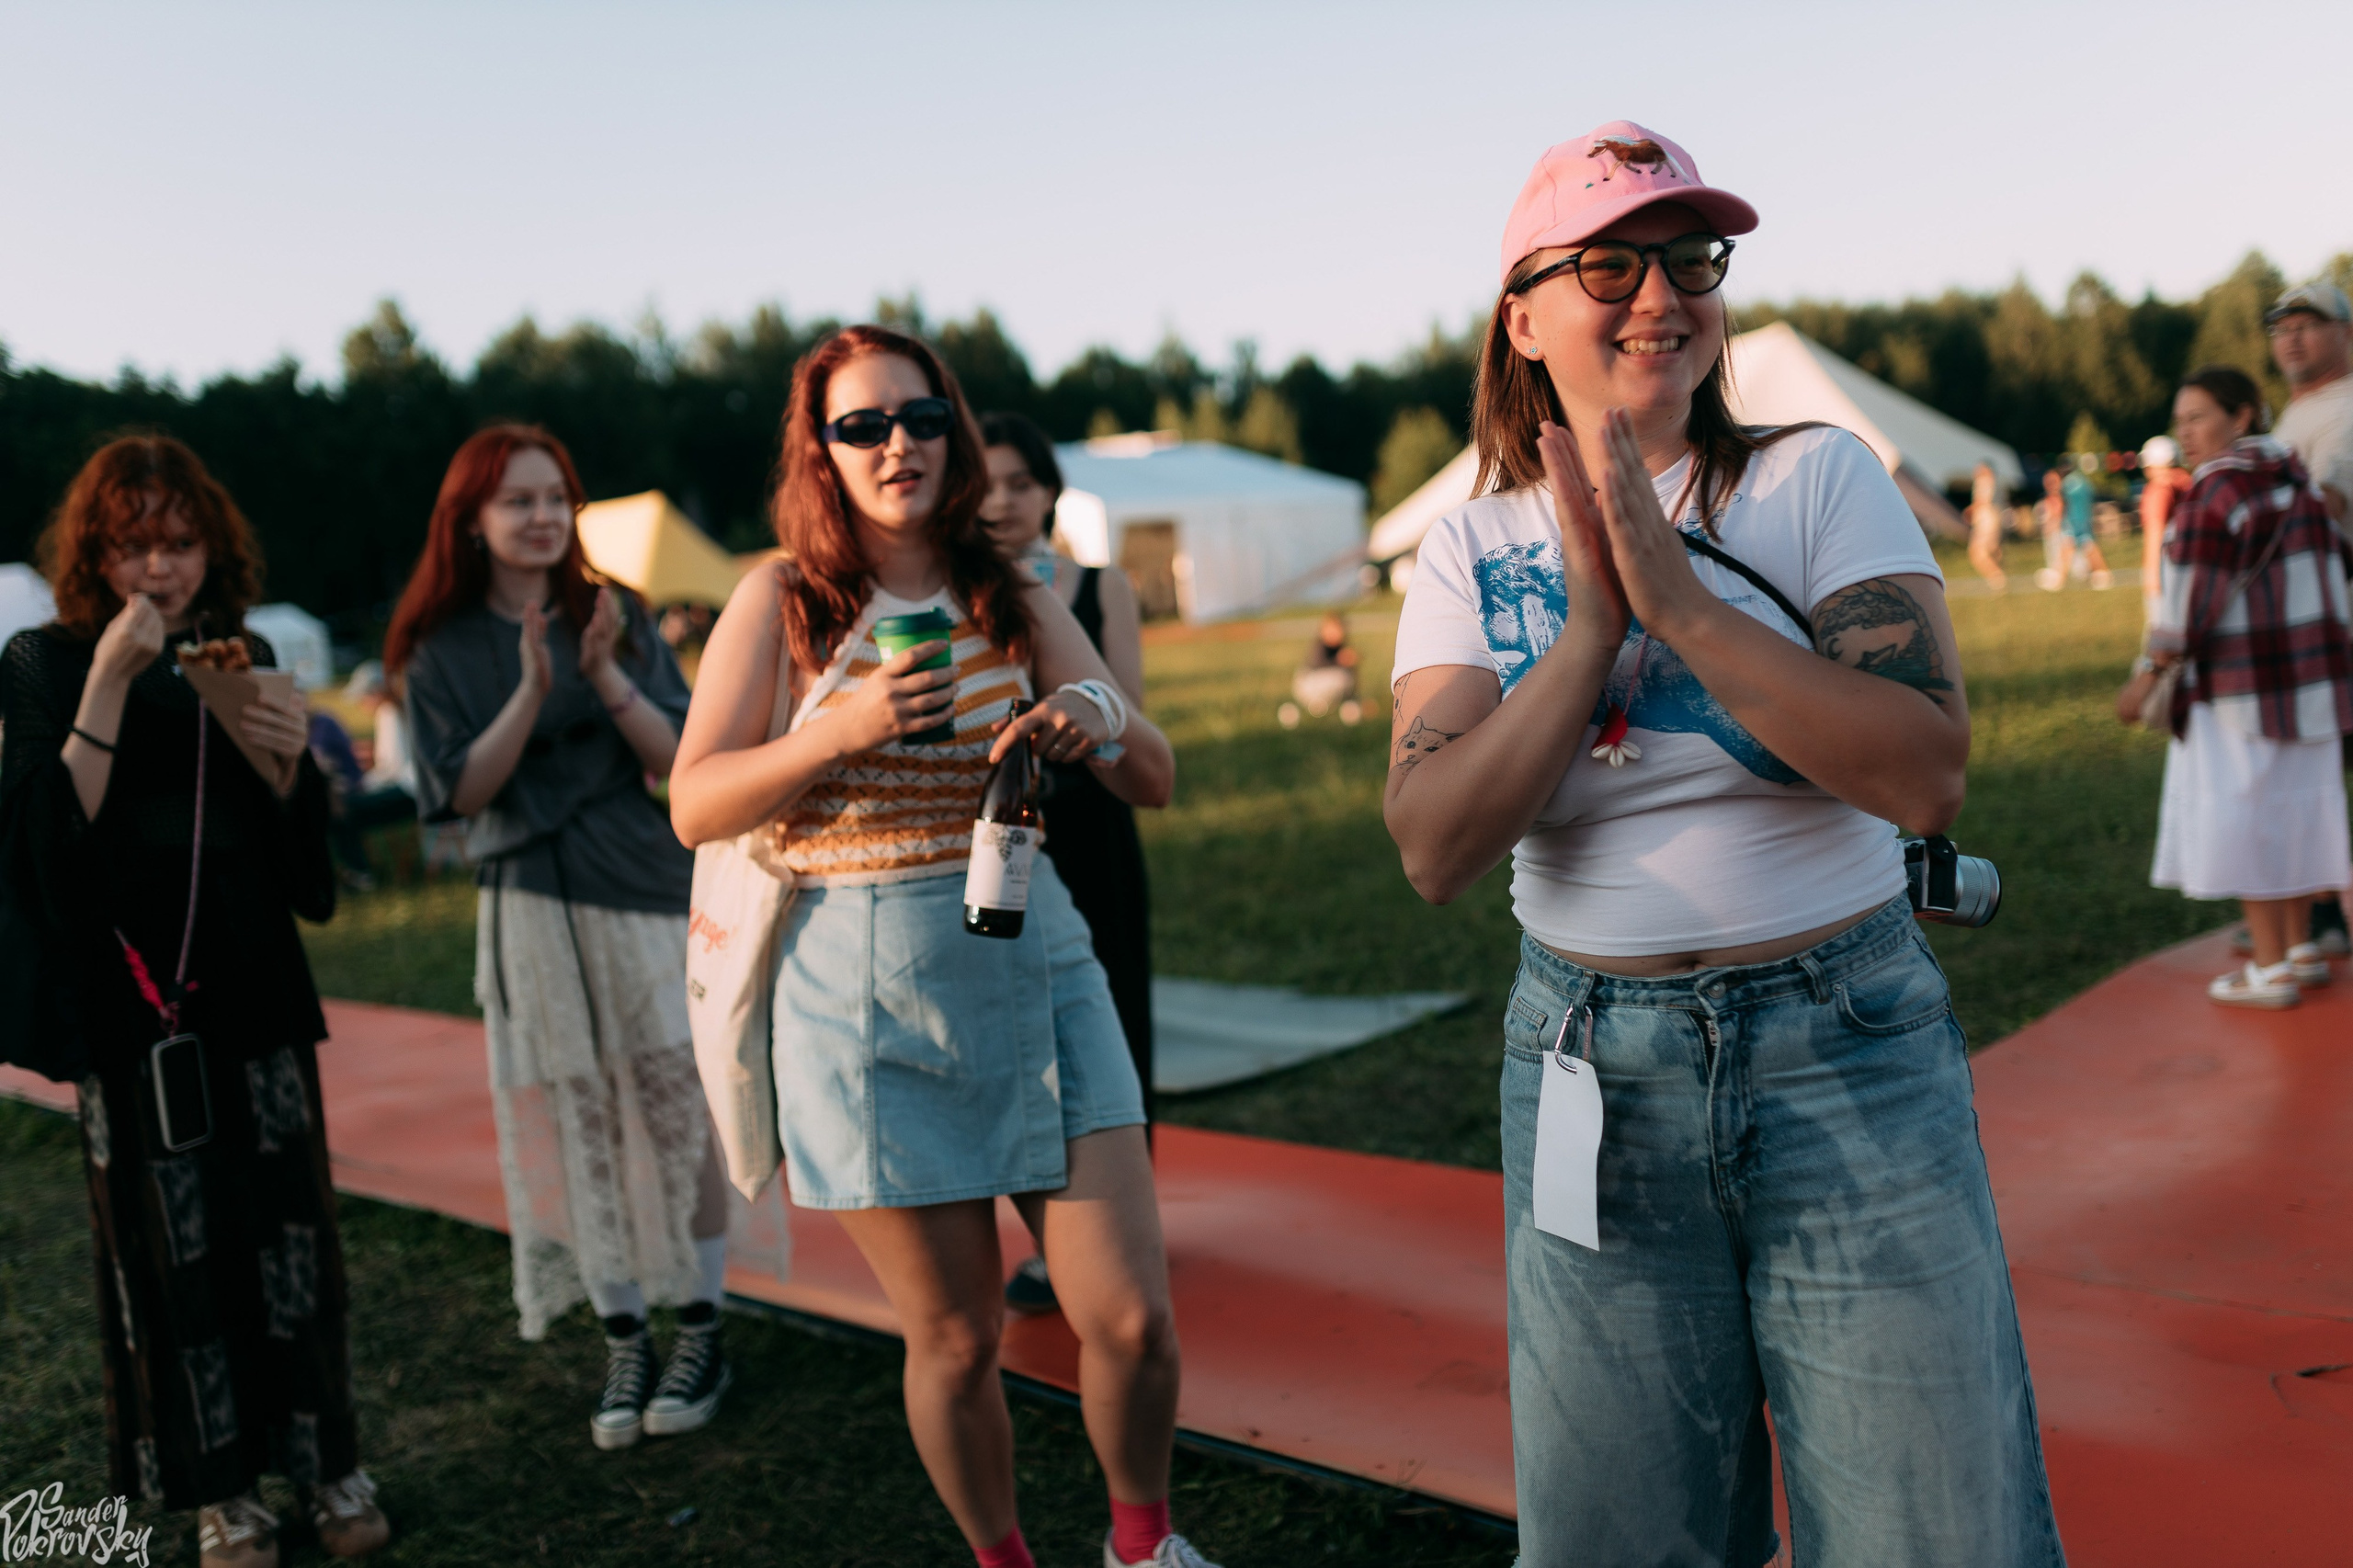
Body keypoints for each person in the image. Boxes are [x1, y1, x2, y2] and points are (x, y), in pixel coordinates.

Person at [1384, 121, 2061, 1564]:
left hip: (1844, 1042)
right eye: (1609, 262)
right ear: (1522, 313)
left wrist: (1684, 611)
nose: (1658, 294)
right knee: (1621, 1533)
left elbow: (1925, 773)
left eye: (1690, 258)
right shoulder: (1467, 546)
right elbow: (1434, 845)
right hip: (1588, 1065)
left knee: (1928, 1526)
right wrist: (1589, 632)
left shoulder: (1816, 480)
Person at [669, 326, 1215, 1568]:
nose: (897, 445)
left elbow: (1155, 772)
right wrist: (837, 727)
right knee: (959, 1338)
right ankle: (1004, 1558)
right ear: (821, 450)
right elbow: (696, 801)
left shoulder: (1008, 585)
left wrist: (1091, 713)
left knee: (1128, 1315)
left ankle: (1143, 1546)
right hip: (852, 992)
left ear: (952, 431)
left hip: (1032, 954)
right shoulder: (778, 598)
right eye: (861, 426)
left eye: (919, 418)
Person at [0, 436, 391, 1567]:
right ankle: (223, 1490)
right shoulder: (43, 658)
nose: (158, 569)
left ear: (210, 547)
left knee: (290, 1236)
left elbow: (297, 865)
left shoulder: (243, 649)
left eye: (178, 543)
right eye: (133, 544)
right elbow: (43, 847)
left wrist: (283, 770)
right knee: (169, 1251)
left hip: (254, 982)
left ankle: (326, 1461)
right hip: (129, 1003)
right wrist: (115, 676)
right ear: (94, 552)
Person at [385, 425, 734, 1450]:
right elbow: (457, 794)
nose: (541, 517)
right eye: (517, 500)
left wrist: (604, 673)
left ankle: (702, 1325)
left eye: (555, 497)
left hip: (637, 885)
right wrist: (534, 690)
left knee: (675, 1102)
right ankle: (625, 1333)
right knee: (576, 1111)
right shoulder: (436, 644)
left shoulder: (612, 608)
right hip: (529, 897)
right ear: (473, 519)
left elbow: (679, 758)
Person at [978, 410, 1157, 1321]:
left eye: (1020, 482)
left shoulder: (1096, 586)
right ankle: (1054, 1230)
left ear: (1049, 490)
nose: (1002, 500)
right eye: (987, 482)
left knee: (1114, 1011)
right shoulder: (957, 593)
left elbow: (1126, 713)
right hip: (1004, 838)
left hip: (1092, 825)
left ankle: (1124, 1209)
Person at [2123, 367, 2353, 1007]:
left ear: (2244, 416)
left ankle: (2272, 968)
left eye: (2198, 417)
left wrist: (2145, 679)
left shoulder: (2216, 492)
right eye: (2182, 420)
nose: (2186, 432)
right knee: (2298, 812)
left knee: (2248, 819)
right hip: (2311, 686)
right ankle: (2300, 947)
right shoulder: (2298, 484)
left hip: (2239, 689)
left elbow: (2187, 603)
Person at [2265, 280, 2353, 959]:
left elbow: (2324, 508)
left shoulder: (2347, 409)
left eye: (2309, 322)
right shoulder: (2293, 419)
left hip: (2339, 619)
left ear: (2345, 332)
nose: (2291, 335)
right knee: (2312, 771)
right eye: (2281, 324)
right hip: (2309, 620)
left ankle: (2324, 918)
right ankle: (2318, 916)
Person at [2137, 435, 2192, 622]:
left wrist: (2152, 581)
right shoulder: (2189, 482)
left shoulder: (2159, 489)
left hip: (2166, 571)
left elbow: (2155, 534)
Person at [1278, 612, 1363, 727]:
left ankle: (1344, 704)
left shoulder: (1339, 647)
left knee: (1347, 676)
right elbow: (1319, 664)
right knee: (1343, 676)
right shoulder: (1320, 647)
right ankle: (1319, 705)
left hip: (1324, 686)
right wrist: (1340, 661)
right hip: (1310, 686)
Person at [2062, 452, 2113, 589]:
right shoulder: (2085, 481)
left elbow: (2067, 503)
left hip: (2075, 519)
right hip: (2085, 517)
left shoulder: (2069, 482)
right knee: (2076, 546)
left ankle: (2102, 572)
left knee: (2083, 546)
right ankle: (2102, 573)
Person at [1966, 460, 2008, 593]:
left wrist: (1969, 511)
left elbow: (1982, 501)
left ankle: (1997, 578)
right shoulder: (1998, 483)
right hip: (1993, 518)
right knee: (1993, 550)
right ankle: (1998, 577)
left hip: (1986, 520)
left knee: (1977, 552)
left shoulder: (1985, 482)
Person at [2033, 466, 2068, 590]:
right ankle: (2057, 578)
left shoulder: (2059, 498)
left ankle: (2059, 580)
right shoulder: (2048, 499)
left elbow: (2057, 516)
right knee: (2053, 557)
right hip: (2051, 534)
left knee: (2060, 557)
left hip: (2059, 533)